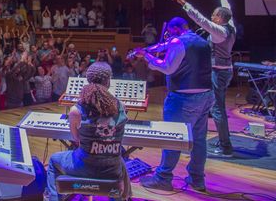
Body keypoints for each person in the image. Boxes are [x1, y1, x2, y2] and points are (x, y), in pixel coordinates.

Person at [138, 16, 214, 192]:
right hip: (205, 96)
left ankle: (163, 178)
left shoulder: (178, 41)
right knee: (199, 140)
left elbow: (167, 67)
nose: (169, 37)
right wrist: (151, 48)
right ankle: (197, 179)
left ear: (174, 30)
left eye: (170, 34)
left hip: (183, 98)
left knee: (172, 138)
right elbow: (166, 46)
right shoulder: (202, 41)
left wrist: (148, 57)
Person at [45, 62, 131, 201]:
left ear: (88, 80)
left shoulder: (76, 111)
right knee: (119, 161)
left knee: (54, 160)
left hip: (83, 166)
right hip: (112, 169)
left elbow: (77, 139)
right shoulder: (121, 106)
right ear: (108, 81)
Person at [171, 0, 236, 157]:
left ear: (221, 19)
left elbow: (201, 20)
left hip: (217, 72)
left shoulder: (220, 32)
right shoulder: (230, 25)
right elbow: (228, 9)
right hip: (225, 70)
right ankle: (224, 141)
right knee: (217, 107)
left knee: (217, 109)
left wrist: (183, 3)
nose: (212, 16)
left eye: (215, 14)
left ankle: (225, 147)